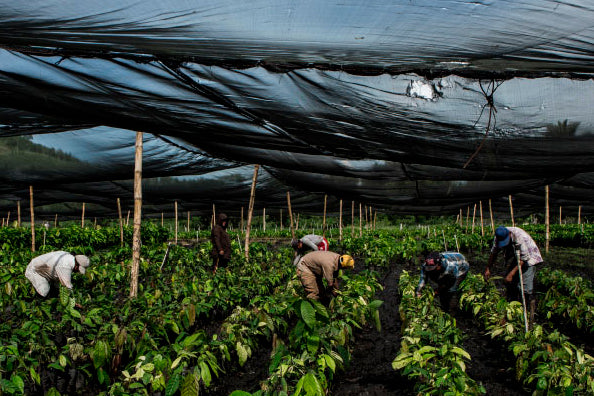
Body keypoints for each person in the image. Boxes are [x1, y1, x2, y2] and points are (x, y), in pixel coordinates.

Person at [484, 226, 543, 327]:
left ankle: (527, 310)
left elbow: (523, 259)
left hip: (529, 258)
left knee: (525, 287)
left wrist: (511, 274)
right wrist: (488, 268)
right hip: (516, 257)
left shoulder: (520, 237)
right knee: (511, 284)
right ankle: (512, 306)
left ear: (510, 235)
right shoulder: (499, 236)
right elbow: (494, 253)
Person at [25, 251, 90, 299]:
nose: (77, 271)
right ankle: (35, 302)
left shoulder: (69, 257)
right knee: (44, 291)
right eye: (78, 270)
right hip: (35, 270)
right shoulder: (65, 266)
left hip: (46, 271)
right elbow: (68, 286)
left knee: (57, 289)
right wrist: (73, 302)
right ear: (76, 266)